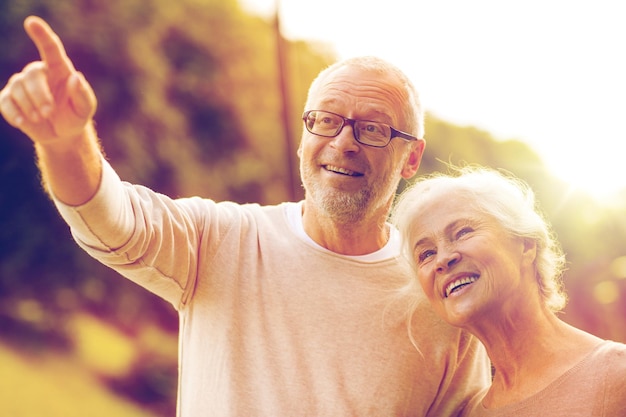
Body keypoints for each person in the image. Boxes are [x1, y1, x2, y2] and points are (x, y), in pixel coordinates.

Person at [0, 15, 491, 417]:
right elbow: (111, 218)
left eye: (373, 129)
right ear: (305, 135)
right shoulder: (222, 240)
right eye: (325, 120)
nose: (343, 142)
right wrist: (66, 143)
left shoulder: (442, 303)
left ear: (411, 157)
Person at [391, 165, 626, 417]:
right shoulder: (467, 413)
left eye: (462, 232)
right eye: (426, 254)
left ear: (526, 244)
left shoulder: (616, 375)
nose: (443, 259)